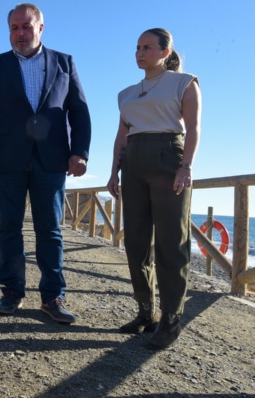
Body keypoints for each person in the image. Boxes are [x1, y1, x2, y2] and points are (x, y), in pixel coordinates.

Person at [0, 3, 91, 324]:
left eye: (25, 26)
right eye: (14, 28)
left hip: (51, 160)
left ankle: (53, 296)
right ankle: (12, 292)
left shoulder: (64, 63)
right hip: (5, 159)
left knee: (49, 230)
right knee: (9, 228)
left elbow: (79, 110)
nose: (19, 33)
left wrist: (80, 151)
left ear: (40, 28)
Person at [106, 28, 201, 349]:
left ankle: (171, 319)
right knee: (135, 240)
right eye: (136, 48)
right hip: (133, 163)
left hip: (168, 158)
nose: (139, 52)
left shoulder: (184, 82)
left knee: (171, 241)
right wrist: (113, 172)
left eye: (146, 47)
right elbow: (121, 136)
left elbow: (194, 129)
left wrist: (186, 167)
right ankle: (145, 312)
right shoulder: (126, 93)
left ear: (165, 51)